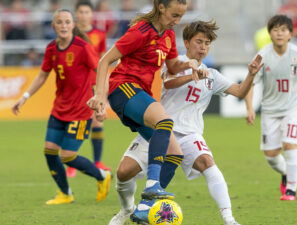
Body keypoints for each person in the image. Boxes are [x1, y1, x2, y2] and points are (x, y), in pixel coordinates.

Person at [108, 20, 263, 225]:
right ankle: (127, 209)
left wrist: (251, 74)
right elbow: (168, 82)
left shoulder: (212, 75)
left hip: (190, 134)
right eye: (199, 42)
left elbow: (240, 91)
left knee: (208, 163)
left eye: (207, 43)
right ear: (187, 42)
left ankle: (229, 219)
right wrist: (191, 75)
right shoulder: (175, 62)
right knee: (123, 172)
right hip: (160, 129)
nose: (203, 47)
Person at [87, 0, 202, 221]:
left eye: (181, 16)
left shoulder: (167, 35)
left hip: (140, 95)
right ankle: (152, 185)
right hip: (123, 89)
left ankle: (141, 209)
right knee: (165, 122)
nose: (177, 21)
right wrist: (100, 95)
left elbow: (172, 65)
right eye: (174, 15)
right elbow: (105, 60)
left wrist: (190, 64)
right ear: (161, 7)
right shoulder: (140, 32)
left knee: (175, 154)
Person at [12, 9, 111, 205]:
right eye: (59, 22)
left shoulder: (82, 47)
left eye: (67, 22)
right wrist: (24, 96)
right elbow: (42, 75)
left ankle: (101, 176)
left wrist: (101, 101)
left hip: (80, 111)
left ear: (73, 25)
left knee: (67, 156)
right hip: (59, 109)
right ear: (53, 26)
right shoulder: (51, 48)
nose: (64, 26)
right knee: (49, 151)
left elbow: (101, 70)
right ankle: (65, 193)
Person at [245, 15, 297, 201]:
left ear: (290, 34)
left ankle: (291, 190)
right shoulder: (262, 56)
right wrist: (250, 108)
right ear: (270, 33)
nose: (279, 33)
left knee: (290, 147)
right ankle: (285, 173)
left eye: (283, 30)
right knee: (271, 155)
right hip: (270, 111)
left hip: (294, 108)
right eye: (275, 30)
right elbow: (250, 83)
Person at [62, 0, 111, 178]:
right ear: (76, 14)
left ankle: (97, 161)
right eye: (80, 12)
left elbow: (103, 60)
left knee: (97, 122)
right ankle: (72, 161)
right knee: (74, 121)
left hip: (93, 83)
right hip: (76, 85)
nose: (83, 15)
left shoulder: (99, 34)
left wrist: (103, 88)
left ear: (91, 14)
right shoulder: (69, 34)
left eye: (86, 12)